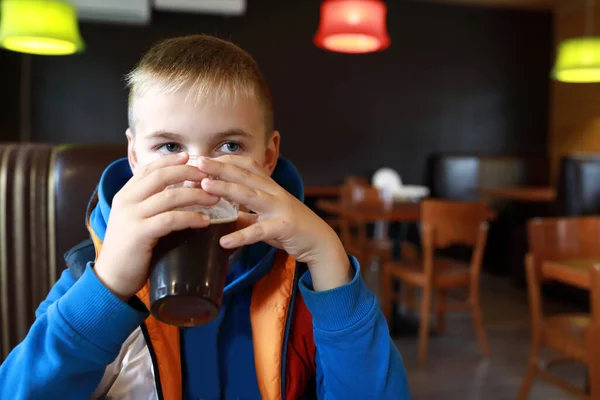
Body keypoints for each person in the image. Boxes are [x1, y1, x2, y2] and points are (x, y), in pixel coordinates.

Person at [0, 35, 411, 399]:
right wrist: (107, 291)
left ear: (268, 157)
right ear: (134, 156)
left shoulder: (308, 283)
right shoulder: (91, 277)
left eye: (229, 146)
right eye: (168, 146)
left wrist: (329, 260)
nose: (200, 176)